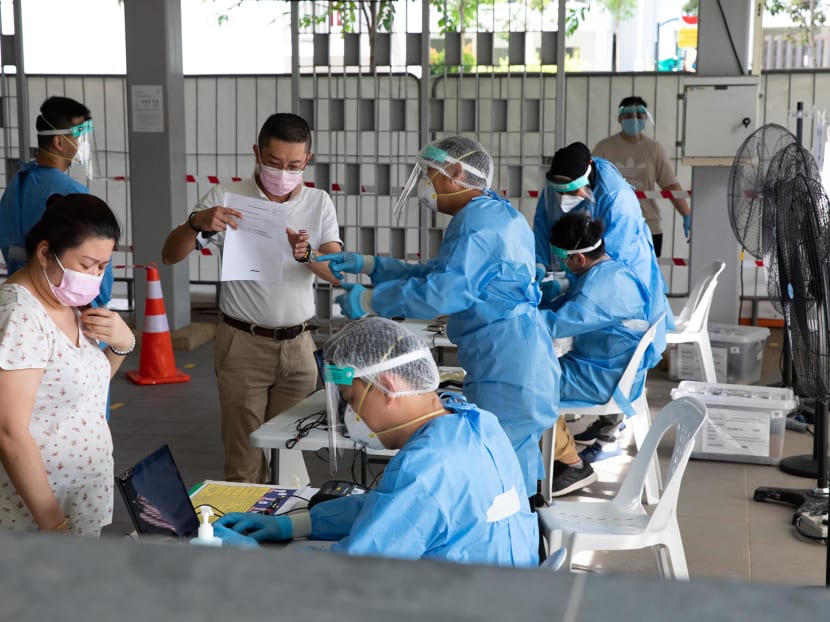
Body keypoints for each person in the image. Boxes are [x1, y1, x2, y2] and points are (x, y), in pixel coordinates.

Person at [317, 136, 560, 501]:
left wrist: (371, 300)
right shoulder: (491, 213)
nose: (425, 184)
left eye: (430, 174)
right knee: (511, 470)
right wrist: (371, 265)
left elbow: (446, 291)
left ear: (456, 172)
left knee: (502, 481)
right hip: (512, 359)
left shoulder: (479, 225)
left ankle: (514, 548)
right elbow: (437, 272)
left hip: (508, 367)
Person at [214, 317, 540, 567]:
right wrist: (290, 524)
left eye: (351, 399)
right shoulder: (479, 423)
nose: (351, 415)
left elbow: (351, 573)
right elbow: (388, 511)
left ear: (387, 386)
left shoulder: (424, 468)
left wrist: (258, 560)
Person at [161, 112, 342, 483]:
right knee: (243, 456)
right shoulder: (226, 197)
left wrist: (306, 255)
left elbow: (334, 271)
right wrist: (197, 223)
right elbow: (170, 254)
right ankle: (241, 535)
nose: (283, 172)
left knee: (290, 454)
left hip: (299, 345)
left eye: (294, 165)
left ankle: (281, 529)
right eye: (274, 163)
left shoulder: (318, 201)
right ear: (257, 153)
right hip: (243, 343)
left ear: (308, 160)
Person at [0, 193, 135, 535]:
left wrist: (121, 344)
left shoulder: (63, 302)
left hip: (78, 501)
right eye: (86, 265)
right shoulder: (21, 315)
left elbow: (82, 387)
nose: (94, 277)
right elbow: (9, 431)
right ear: (46, 253)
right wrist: (53, 523)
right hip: (39, 516)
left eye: (103, 267)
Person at [539, 213, 664, 494]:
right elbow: (577, 298)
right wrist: (559, 289)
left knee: (525, 385)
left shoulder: (599, 291)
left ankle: (571, 465)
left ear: (579, 260)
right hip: (604, 365)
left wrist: (510, 312)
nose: (560, 265)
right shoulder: (613, 270)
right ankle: (553, 454)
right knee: (533, 372)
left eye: (562, 260)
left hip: (602, 376)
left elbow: (554, 325)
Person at [533, 141, 673, 342]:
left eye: (571, 192)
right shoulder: (552, 186)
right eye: (559, 192)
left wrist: (568, 284)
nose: (564, 198)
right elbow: (542, 228)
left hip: (615, 274)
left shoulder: (617, 199)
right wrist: (539, 262)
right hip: (587, 276)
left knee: (608, 319)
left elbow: (609, 262)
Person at [0, 96, 112, 308]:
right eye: (79, 136)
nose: (82, 144)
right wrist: (98, 302)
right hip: (68, 304)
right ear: (59, 142)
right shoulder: (71, 193)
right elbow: (93, 256)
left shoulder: (19, 182)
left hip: (24, 296)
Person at [593, 96, 691, 257]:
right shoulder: (604, 147)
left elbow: (670, 184)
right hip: (611, 224)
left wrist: (687, 214)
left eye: (639, 115)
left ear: (646, 118)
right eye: (629, 116)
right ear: (620, 118)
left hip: (648, 224)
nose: (634, 120)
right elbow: (591, 184)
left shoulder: (654, 149)